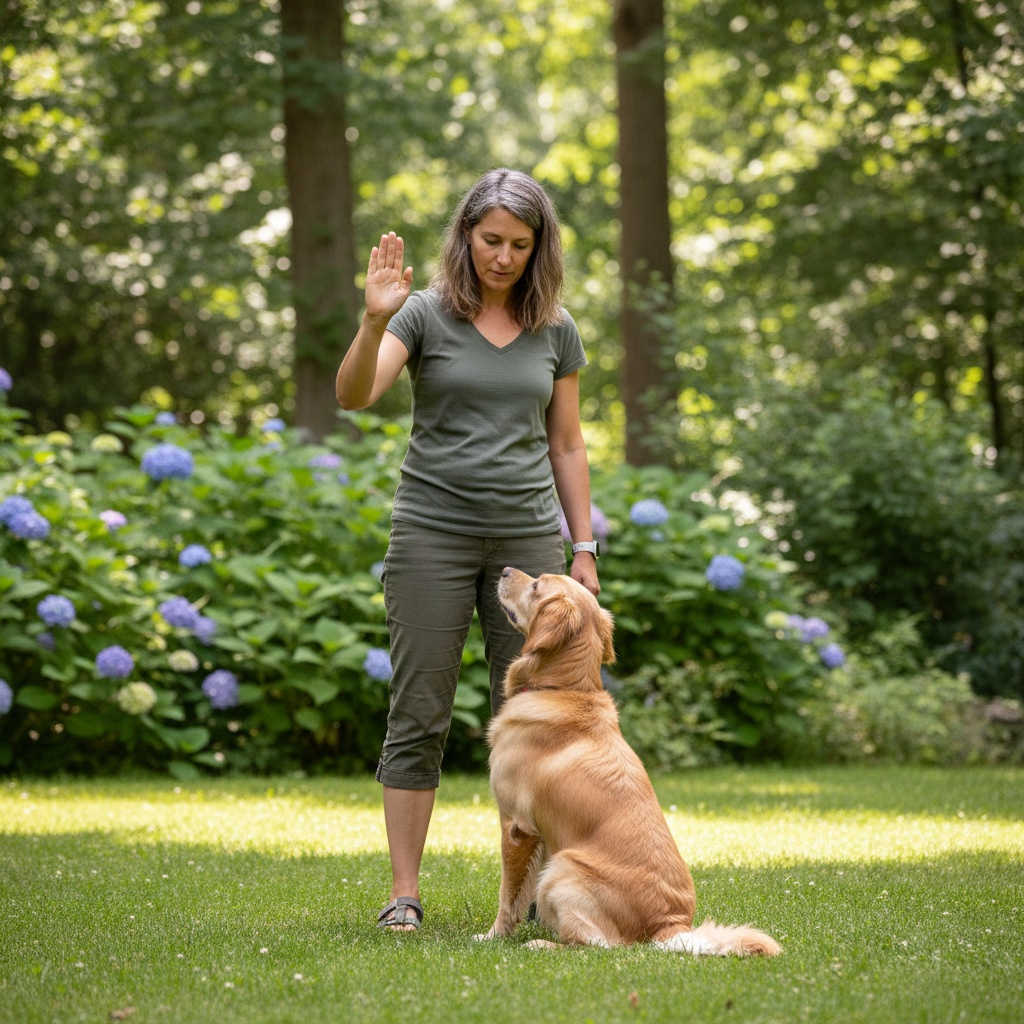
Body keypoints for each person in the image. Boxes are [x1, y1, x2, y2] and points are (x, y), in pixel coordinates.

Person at [335, 168, 600, 932]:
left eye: (521, 243)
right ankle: (403, 895)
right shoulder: (421, 315)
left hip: (526, 539)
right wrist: (371, 322)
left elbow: (567, 442)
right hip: (432, 534)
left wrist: (580, 548)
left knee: (534, 712)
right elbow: (356, 395)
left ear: (539, 247)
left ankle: (531, 900)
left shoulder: (556, 327)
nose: (504, 256)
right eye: (491, 240)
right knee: (419, 709)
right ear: (466, 236)